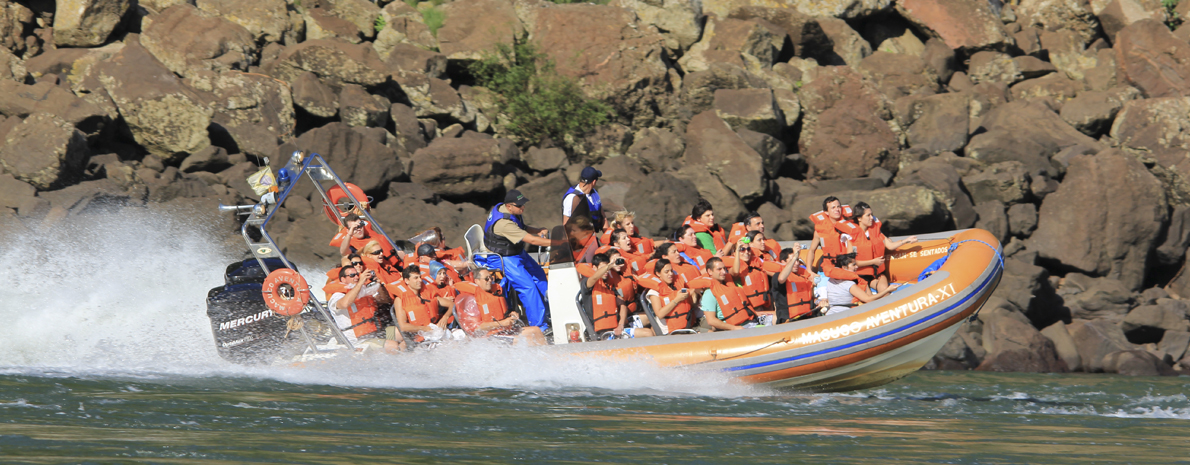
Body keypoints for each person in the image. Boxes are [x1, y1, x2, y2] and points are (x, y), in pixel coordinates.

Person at [478, 189, 554, 329]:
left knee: (539, 274)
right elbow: (532, 240)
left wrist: (537, 230)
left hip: (516, 251)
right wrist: (559, 243)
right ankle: (539, 327)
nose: (523, 208)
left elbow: (521, 228)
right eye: (519, 206)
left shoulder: (509, 211)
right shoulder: (503, 223)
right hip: (504, 257)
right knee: (528, 287)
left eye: (523, 204)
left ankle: (552, 312)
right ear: (509, 206)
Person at [454, 267, 547, 345]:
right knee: (528, 340)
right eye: (486, 279)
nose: (490, 281)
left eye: (491, 278)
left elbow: (501, 314)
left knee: (536, 330)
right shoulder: (472, 300)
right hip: (490, 337)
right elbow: (476, 328)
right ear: (477, 281)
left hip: (504, 330)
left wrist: (511, 315)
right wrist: (502, 323)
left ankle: (548, 356)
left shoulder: (494, 293)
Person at [579, 252, 653, 338]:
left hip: (619, 325)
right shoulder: (587, 284)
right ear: (594, 268)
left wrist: (621, 325)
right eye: (603, 268)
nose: (607, 271)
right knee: (648, 333)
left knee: (652, 317)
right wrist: (609, 266)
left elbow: (622, 305)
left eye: (608, 268)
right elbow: (595, 277)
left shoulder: (608, 284)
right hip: (606, 332)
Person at [849, 202, 918, 293]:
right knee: (869, 299)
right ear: (859, 218)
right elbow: (851, 262)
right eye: (868, 215)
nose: (871, 218)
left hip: (877, 274)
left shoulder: (876, 232)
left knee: (884, 291)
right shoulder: (851, 236)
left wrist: (906, 240)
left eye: (872, 215)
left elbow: (890, 246)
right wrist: (873, 262)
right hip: (860, 275)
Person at [324, 265, 395, 348]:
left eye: (357, 274)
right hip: (356, 341)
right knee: (392, 345)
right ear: (343, 279)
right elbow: (344, 304)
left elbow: (385, 300)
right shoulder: (337, 296)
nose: (356, 277)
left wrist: (379, 285)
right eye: (352, 275)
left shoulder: (363, 291)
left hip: (375, 333)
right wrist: (361, 282)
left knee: (401, 334)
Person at [391, 267, 457, 344]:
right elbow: (403, 326)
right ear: (407, 281)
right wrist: (426, 329)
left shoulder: (426, 293)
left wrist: (445, 317)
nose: (420, 280)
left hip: (436, 330)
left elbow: (452, 304)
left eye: (420, 277)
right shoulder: (399, 300)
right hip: (421, 336)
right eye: (416, 278)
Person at [690, 257, 758, 331]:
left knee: (772, 318)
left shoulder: (729, 286)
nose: (724, 272)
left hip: (748, 321)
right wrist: (734, 328)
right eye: (719, 269)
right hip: (736, 328)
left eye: (724, 268)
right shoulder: (709, 294)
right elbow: (711, 320)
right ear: (709, 271)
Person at [822, 254, 899, 316]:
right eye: (854, 265)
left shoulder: (830, 280)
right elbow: (868, 299)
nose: (857, 267)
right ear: (844, 267)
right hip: (845, 315)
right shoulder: (849, 284)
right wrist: (887, 290)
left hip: (830, 315)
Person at [644, 259, 697, 334]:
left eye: (671, 271)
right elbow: (660, 314)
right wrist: (677, 300)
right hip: (670, 331)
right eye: (666, 272)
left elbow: (692, 305)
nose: (671, 274)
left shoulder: (677, 286)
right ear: (658, 274)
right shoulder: (653, 292)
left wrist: (694, 294)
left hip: (687, 325)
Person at [808, 196, 860, 272]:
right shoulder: (820, 230)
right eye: (833, 208)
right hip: (827, 265)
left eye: (838, 207)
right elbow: (812, 251)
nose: (837, 210)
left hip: (845, 265)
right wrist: (809, 271)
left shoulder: (851, 226)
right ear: (826, 212)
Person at [331, 213, 399, 264]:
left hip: (397, 265)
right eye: (355, 228)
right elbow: (343, 252)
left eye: (360, 226)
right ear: (349, 230)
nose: (359, 229)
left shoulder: (372, 236)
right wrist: (349, 234)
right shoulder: (353, 247)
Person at [774, 244, 816, 322]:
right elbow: (782, 278)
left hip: (807, 316)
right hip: (790, 320)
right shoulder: (777, 276)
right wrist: (794, 257)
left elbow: (812, 295)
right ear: (783, 262)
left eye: (797, 260)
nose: (796, 263)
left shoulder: (804, 276)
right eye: (793, 260)